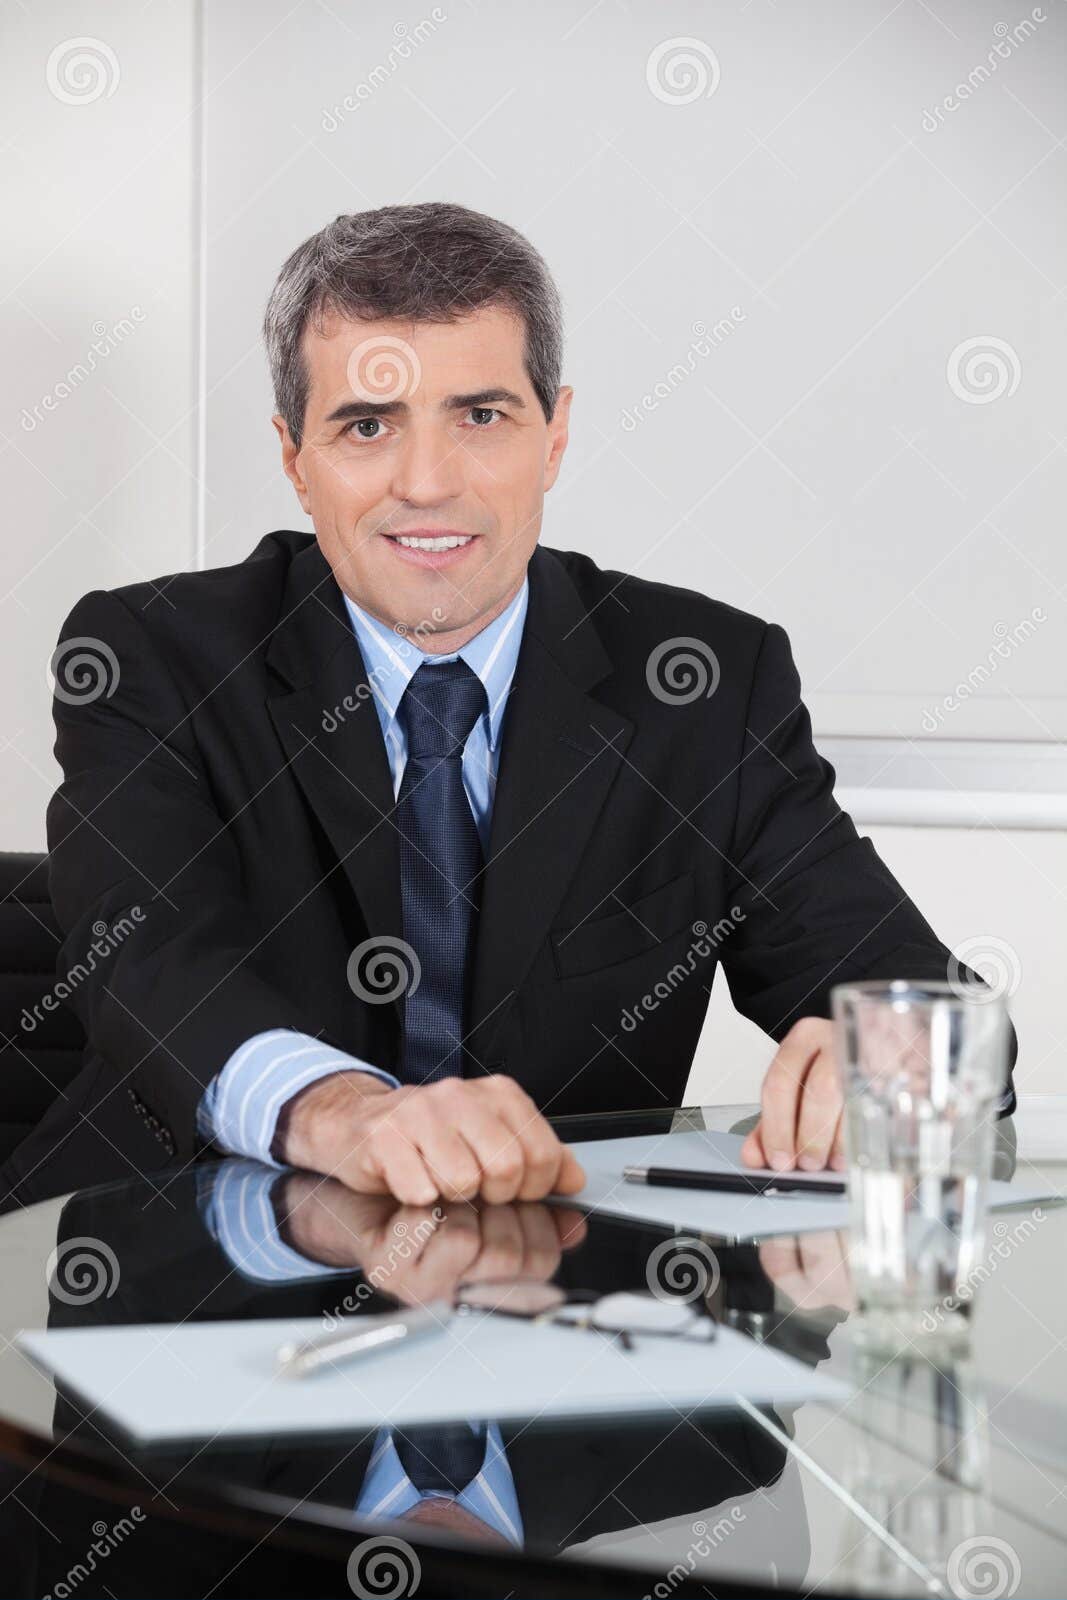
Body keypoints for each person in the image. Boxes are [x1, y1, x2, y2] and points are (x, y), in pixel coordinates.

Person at [9, 202, 1016, 1209]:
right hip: (184, 1285)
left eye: (480, 416)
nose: (428, 483)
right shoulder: (154, 657)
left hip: (560, 1306)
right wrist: (342, 1111)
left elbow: (924, 1001)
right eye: (366, 425)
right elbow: (145, 953)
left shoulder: (703, 678)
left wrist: (889, 1057)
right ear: (293, 460)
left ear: (554, 435)